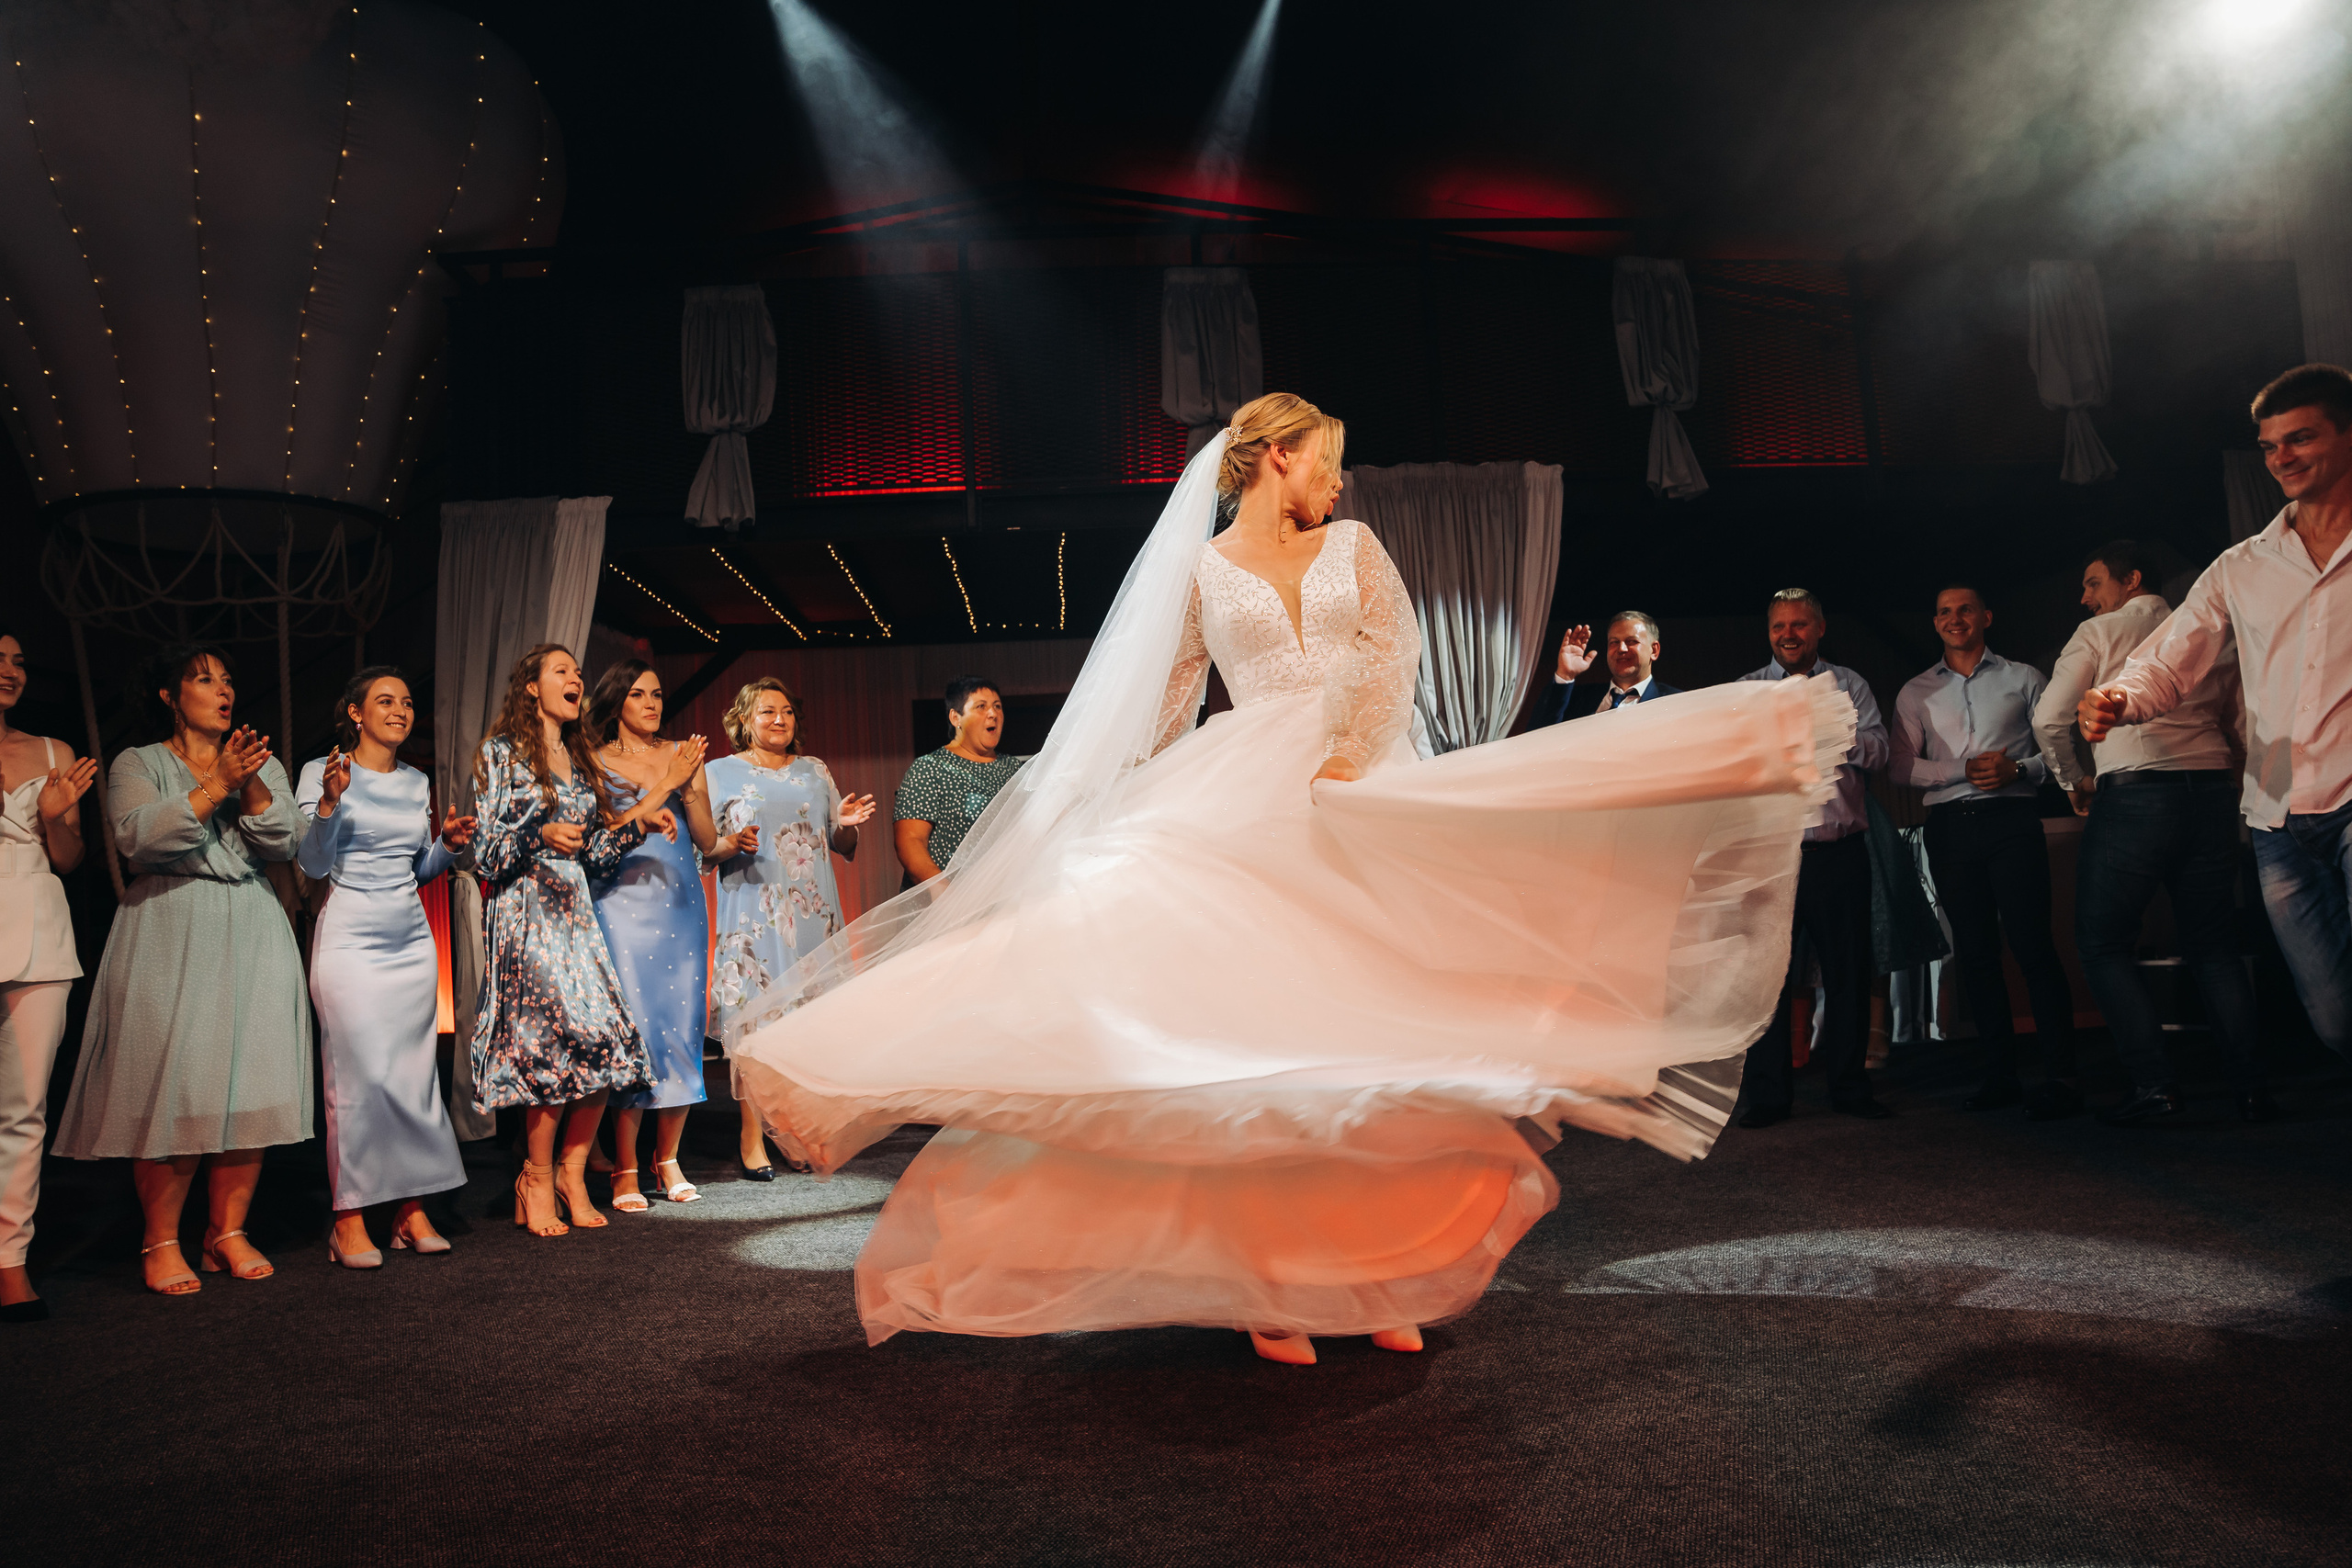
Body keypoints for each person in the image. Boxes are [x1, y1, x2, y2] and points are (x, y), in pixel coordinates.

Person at [727, 392, 1851, 1365]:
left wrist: (1347, 760)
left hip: (1359, 782)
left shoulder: (1355, 545)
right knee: (1252, 1054)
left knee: (1374, 1045)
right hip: (1239, 788)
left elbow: (1395, 653)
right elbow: (1171, 696)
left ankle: (1369, 1275)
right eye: (1327, 459)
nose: (1338, 478)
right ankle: (1268, 1283)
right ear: (1278, 455)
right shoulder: (1203, 567)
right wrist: (1114, 798)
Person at [2080, 364, 2352, 1080]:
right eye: (2269, 446)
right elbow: (2170, 657)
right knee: (2334, 1018)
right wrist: (2118, 697)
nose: (2281, 458)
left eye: (2300, 438)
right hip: (2279, 816)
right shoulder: (2243, 565)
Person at [54, 644, 311, 1293]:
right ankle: (161, 1239)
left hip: (251, 922)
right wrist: (215, 783)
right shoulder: (138, 762)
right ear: (170, 695)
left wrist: (247, 779)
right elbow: (137, 836)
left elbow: (286, 840)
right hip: (171, 921)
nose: (222, 691)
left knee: (251, 1080)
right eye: (204, 679)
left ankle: (226, 1232)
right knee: (175, 1082)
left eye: (227, 680)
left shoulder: (262, 762)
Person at [2034, 543, 2270, 1125]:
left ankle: (2156, 1086)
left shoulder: (2099, 632)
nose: (2084, 598)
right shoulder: (2208, 631)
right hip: (2211, 790)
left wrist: (2074, 780)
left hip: (2137, 791)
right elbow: (2241, 720)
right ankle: (2251, 1090)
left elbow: (2049, 717)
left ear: (2132, 579)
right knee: (2216, 948)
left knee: (2102, 945)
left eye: (2093, 583)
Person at [469, 644, 668, 1237]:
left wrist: (636, 826)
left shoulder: (580, 759)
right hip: (525, 913)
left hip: (576, 913)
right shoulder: (501, 752)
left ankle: (571, 1174)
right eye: (562, 671)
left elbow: (595, 854)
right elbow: (485, 854)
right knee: (548, 1048)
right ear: (531, 686)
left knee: (604, 1041)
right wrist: (537, 833)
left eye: (578, 672)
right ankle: (535, 1177)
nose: (575, 678)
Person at [296, 668, 476, 1268]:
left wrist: (447, 846)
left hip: (411, 942)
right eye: (385, 700)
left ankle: (410, 1209)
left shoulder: (417, 781)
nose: (400, 709)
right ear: (355, 712)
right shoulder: (322, 770)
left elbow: (416, 870)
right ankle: (347, 1217)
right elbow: (312, 864)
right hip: (349, 938)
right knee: (358, 1078)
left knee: (412, 1077)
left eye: (407, 701)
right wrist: (328, 802)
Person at [1893, 585, 2079, 1118]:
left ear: (1986, 617)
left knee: (2033, 947)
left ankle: (2063, 1076)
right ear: (1935, 623)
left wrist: (2018, 768)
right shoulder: (1915, 691)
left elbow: (2060, 747)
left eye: (1965, 609)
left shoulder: (2025, 678)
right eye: (1945, 612)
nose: (1955, 619)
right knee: (1975, 955)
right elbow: (1899, 765)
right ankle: (2001, 1077)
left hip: (2012, 821)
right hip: (1951, 828)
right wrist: (1961, 770)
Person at [1734, 589, 1893, 1126]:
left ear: (1819, 628)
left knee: (1848, 974)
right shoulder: (1748, 691)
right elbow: (1734, 766)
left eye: (1799, 624)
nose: (1788, 634)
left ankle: (1850, 1088)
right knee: (1768, 981)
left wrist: (1830, 731)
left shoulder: (1849, 685)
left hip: (1838, 854)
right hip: (1771, 858)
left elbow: (1880, 752)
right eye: (1779, 626)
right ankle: (1768, 1096)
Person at [706, 677, 876, 1179]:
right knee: (754, 1025)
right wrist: (730, 842)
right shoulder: (719, 772)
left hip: (812, 911)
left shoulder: (814, 770)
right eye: (766, 711)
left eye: (786, 711)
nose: (779, 719)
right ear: (743, 720)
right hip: (753, 909)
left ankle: (793, 1128)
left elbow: (841, 845)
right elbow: (705, 848)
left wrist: (845, 825)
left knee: (806, 1024)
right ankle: (752, 1133)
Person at [584, 660, 720, 1209]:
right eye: (639, 694)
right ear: (617, 700)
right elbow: (602, 834)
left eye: (658, 694)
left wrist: (688, 787)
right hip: (620, 903)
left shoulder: (682, 754)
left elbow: (706, 840)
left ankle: (668, 1160)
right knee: (635, 1029)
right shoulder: (592, 759)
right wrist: (665, 784)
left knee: (682, 1027)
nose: (651, 704)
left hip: (680, 902)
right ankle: (625, 1167)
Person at [0, 632, 96, 1321]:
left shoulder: (54, 752)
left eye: (19, 661)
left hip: (38, 927)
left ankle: (9, 1259)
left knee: (24, 1105)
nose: (11, 671)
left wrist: (58, 818)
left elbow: (68, 858)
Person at [894, 679, 1027, 885]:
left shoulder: (1014, 769)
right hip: (946, 897)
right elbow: (911, 840)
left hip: (1001, 894)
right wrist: (940, 888)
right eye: (981, 706)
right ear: (956, 717)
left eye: (997, 706)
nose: (993, 714)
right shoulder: (930, 768)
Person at [1545, 612, 1682, 721]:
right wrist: (1565, 675)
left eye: (1632, 641)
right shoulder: (1578, 699)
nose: (1621, 649)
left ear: (1654, 650)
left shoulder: (1676, 702)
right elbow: (1541, 733)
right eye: (1614, 642)